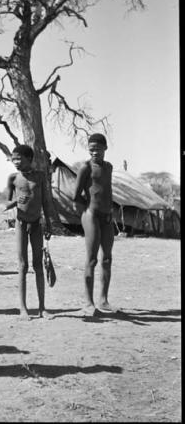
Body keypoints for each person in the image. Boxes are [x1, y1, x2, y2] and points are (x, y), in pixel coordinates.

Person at [4, 145, 53, 321]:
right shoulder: (13, 178)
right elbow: (5, 204)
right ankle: (23, 308)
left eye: (19, 158)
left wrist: (48, 222)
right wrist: (16, 201)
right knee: (22, 266)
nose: (15, 162)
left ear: (29, 158)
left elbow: (46, 202)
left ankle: (42, 308)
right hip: (21, 224)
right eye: (13, 159)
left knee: (38, 265)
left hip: (37, 225)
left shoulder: (40, 177)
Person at [73, 133, 118, 316]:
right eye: (91, 149)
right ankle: (89, 302)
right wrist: (86, 215)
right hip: (91, 215)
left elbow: (107, 190)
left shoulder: (108, 167)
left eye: (97, 149)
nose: (94, 152)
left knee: (107, 258)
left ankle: (104, 300)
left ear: (105, 148)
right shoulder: (85, 168)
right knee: (91, 259)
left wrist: (109, 211)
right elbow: (76, 197)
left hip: (107, 217)